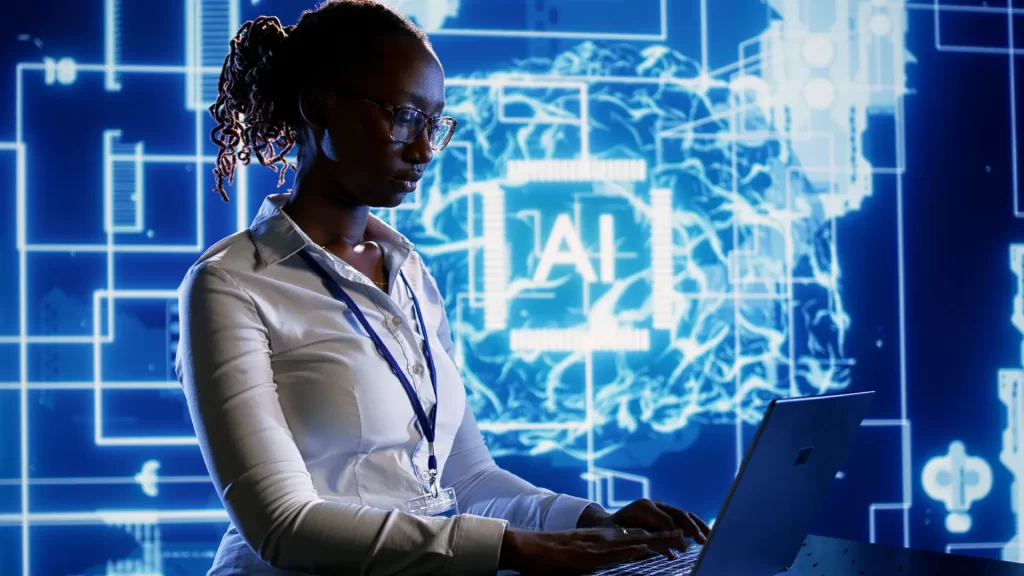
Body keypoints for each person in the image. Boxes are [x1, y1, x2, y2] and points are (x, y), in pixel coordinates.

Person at [176, 1, 710, 574]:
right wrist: (513, 548)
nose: (424, 148)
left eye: (435, 124)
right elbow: (281, 524)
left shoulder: (410, 273)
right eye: (404, 117)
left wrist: (590, 521)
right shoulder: (230, 284)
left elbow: (467, 480)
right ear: (319, 106)